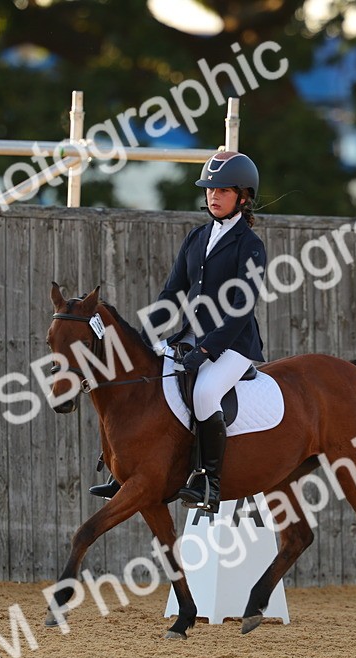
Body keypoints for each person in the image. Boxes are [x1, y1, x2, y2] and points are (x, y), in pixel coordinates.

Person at [89, 151, 266, 512]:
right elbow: (172, 293)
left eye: (223, 190)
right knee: (146, 375)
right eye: (209, 189)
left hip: (233, 344)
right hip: (191, 335)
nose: (213, 196)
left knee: (204, 392)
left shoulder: (250, 246)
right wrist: (144, 337)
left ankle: (208, 481)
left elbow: (240, 308)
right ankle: (122, 468)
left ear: (243, 197)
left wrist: (207, 351)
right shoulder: (197, 237)